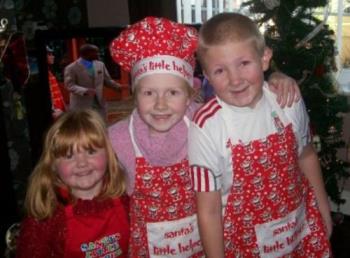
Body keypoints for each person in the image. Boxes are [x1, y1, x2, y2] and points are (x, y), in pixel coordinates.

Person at [108, 16, 300, 258]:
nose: (160, 104)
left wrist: (275, 78)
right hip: (149, 249)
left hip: (206, 244)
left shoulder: (204, 121)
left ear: (190, 96)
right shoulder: (117, 137)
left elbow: (244, 104)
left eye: (173, 92)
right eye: (148, 93)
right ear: (135, 95)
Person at [188, 12, 332, 258]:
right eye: (220, 70)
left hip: (299, 230)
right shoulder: (206, 126)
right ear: (208, 75)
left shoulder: (286, 101)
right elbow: (208, 210)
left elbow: (306, 156)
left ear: (264, 58)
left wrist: (324, 211)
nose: (236, 79)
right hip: (243, 246)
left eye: (244, 63)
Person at [16, 109, 129, 258]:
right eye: (69, 156)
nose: (82, 163)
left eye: (90, 151)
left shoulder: (126, 200)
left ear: (109, 155)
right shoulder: (46, 217)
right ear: (53, 165)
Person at [64, 44, 121, 119]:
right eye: (96, 52)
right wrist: (85, 90)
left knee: (100, 126)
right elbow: (69, 85)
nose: (98, 54)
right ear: (87, 54)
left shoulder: (100, 65)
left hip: (99, 104)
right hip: (81, 106)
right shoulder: (71, 68)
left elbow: (107, 80)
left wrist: (119, 87)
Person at [46, 46, 66, 119]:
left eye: (52, 54)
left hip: (58, 109)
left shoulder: (49, 71)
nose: (53, 56)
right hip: (55, 111)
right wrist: (52, 110)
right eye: (49, 54)